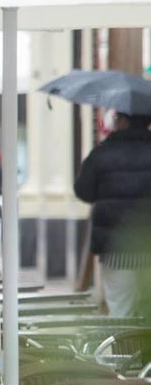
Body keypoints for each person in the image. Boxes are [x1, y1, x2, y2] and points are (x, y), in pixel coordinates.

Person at [73, 111, 151, 317]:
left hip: (116, 249)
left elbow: (83, 191)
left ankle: (122, 337)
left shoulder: (102, 153)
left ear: (123, 121)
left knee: (120, 311)